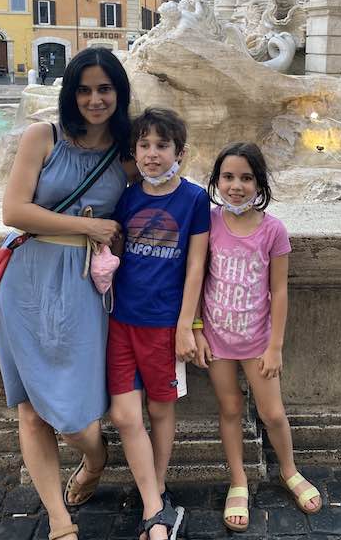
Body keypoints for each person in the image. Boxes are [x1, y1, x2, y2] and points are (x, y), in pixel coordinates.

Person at [0, 47, 135, 540]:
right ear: (70, 93)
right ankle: (59, 521)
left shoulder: (127, 154)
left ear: (119, 93)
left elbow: (160, 197)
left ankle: (95, 459)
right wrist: (89, 225)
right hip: (27, 282)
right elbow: (13, 211)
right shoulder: (43, 136)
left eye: (104, 89)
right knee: (30, 409)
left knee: (77, 417)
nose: (94, 99)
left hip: (83, 287)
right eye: (84, 89)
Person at [194, 142, 322, 532]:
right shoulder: (210, 222)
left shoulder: (272, 229)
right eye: (228, 177)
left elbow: (279, 290)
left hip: (256, 342)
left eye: (246, 178)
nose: (236, 186)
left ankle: (289, 469)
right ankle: (238, 479)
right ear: (216, 182)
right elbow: (196, 278)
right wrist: (197, 329)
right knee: (230, 409)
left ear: (259, 184)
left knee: (272, 413)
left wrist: (275, 345)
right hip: (217, 342)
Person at [108, 107, 210, 540]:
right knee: (125, 416)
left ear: (179, 153)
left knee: (160, 409)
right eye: (144, 146)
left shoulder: (193, 199)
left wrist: (187, 326)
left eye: (161, 146)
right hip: (120, 322)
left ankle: (158, 492)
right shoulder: (127, 196)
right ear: (135, 151)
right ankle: (155, 504)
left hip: (163, 325)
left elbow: (196, 266)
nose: (152, 154)